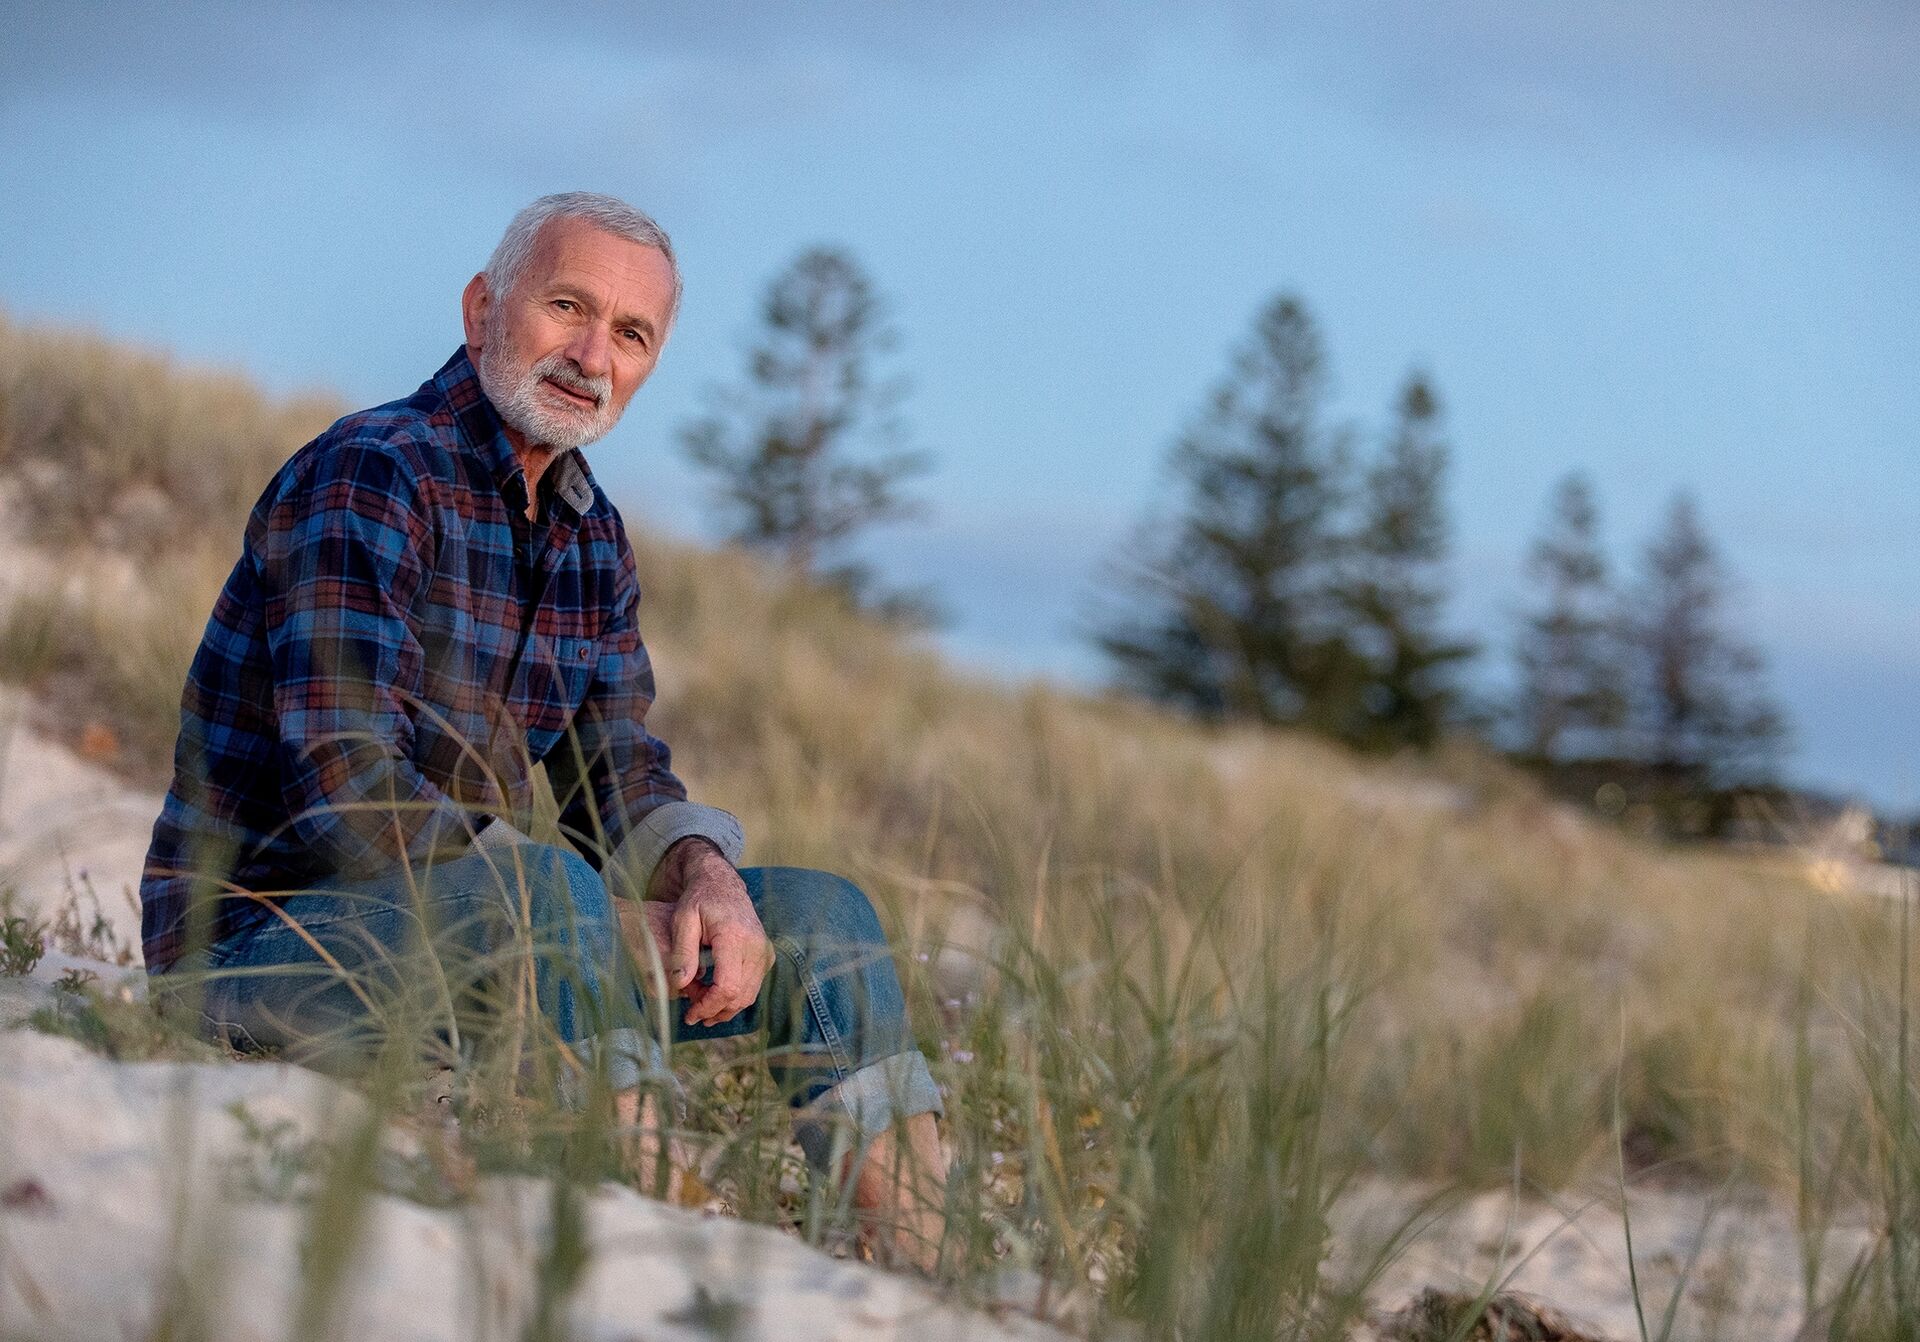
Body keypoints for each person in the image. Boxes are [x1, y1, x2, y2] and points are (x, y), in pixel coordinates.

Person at [138, 192, 945, 1269]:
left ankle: (926, 1278)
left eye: (630, 332)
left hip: (494, 943)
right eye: (567, 305)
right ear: (483, 309)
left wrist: (704, 874)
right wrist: (579, 914)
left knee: (821, 919)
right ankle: (648, 1268)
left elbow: (618, 771)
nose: (590, 353)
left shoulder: (591, 531)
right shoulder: (375, 472)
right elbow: (345, 789)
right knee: (542, 890)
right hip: (256, 950)